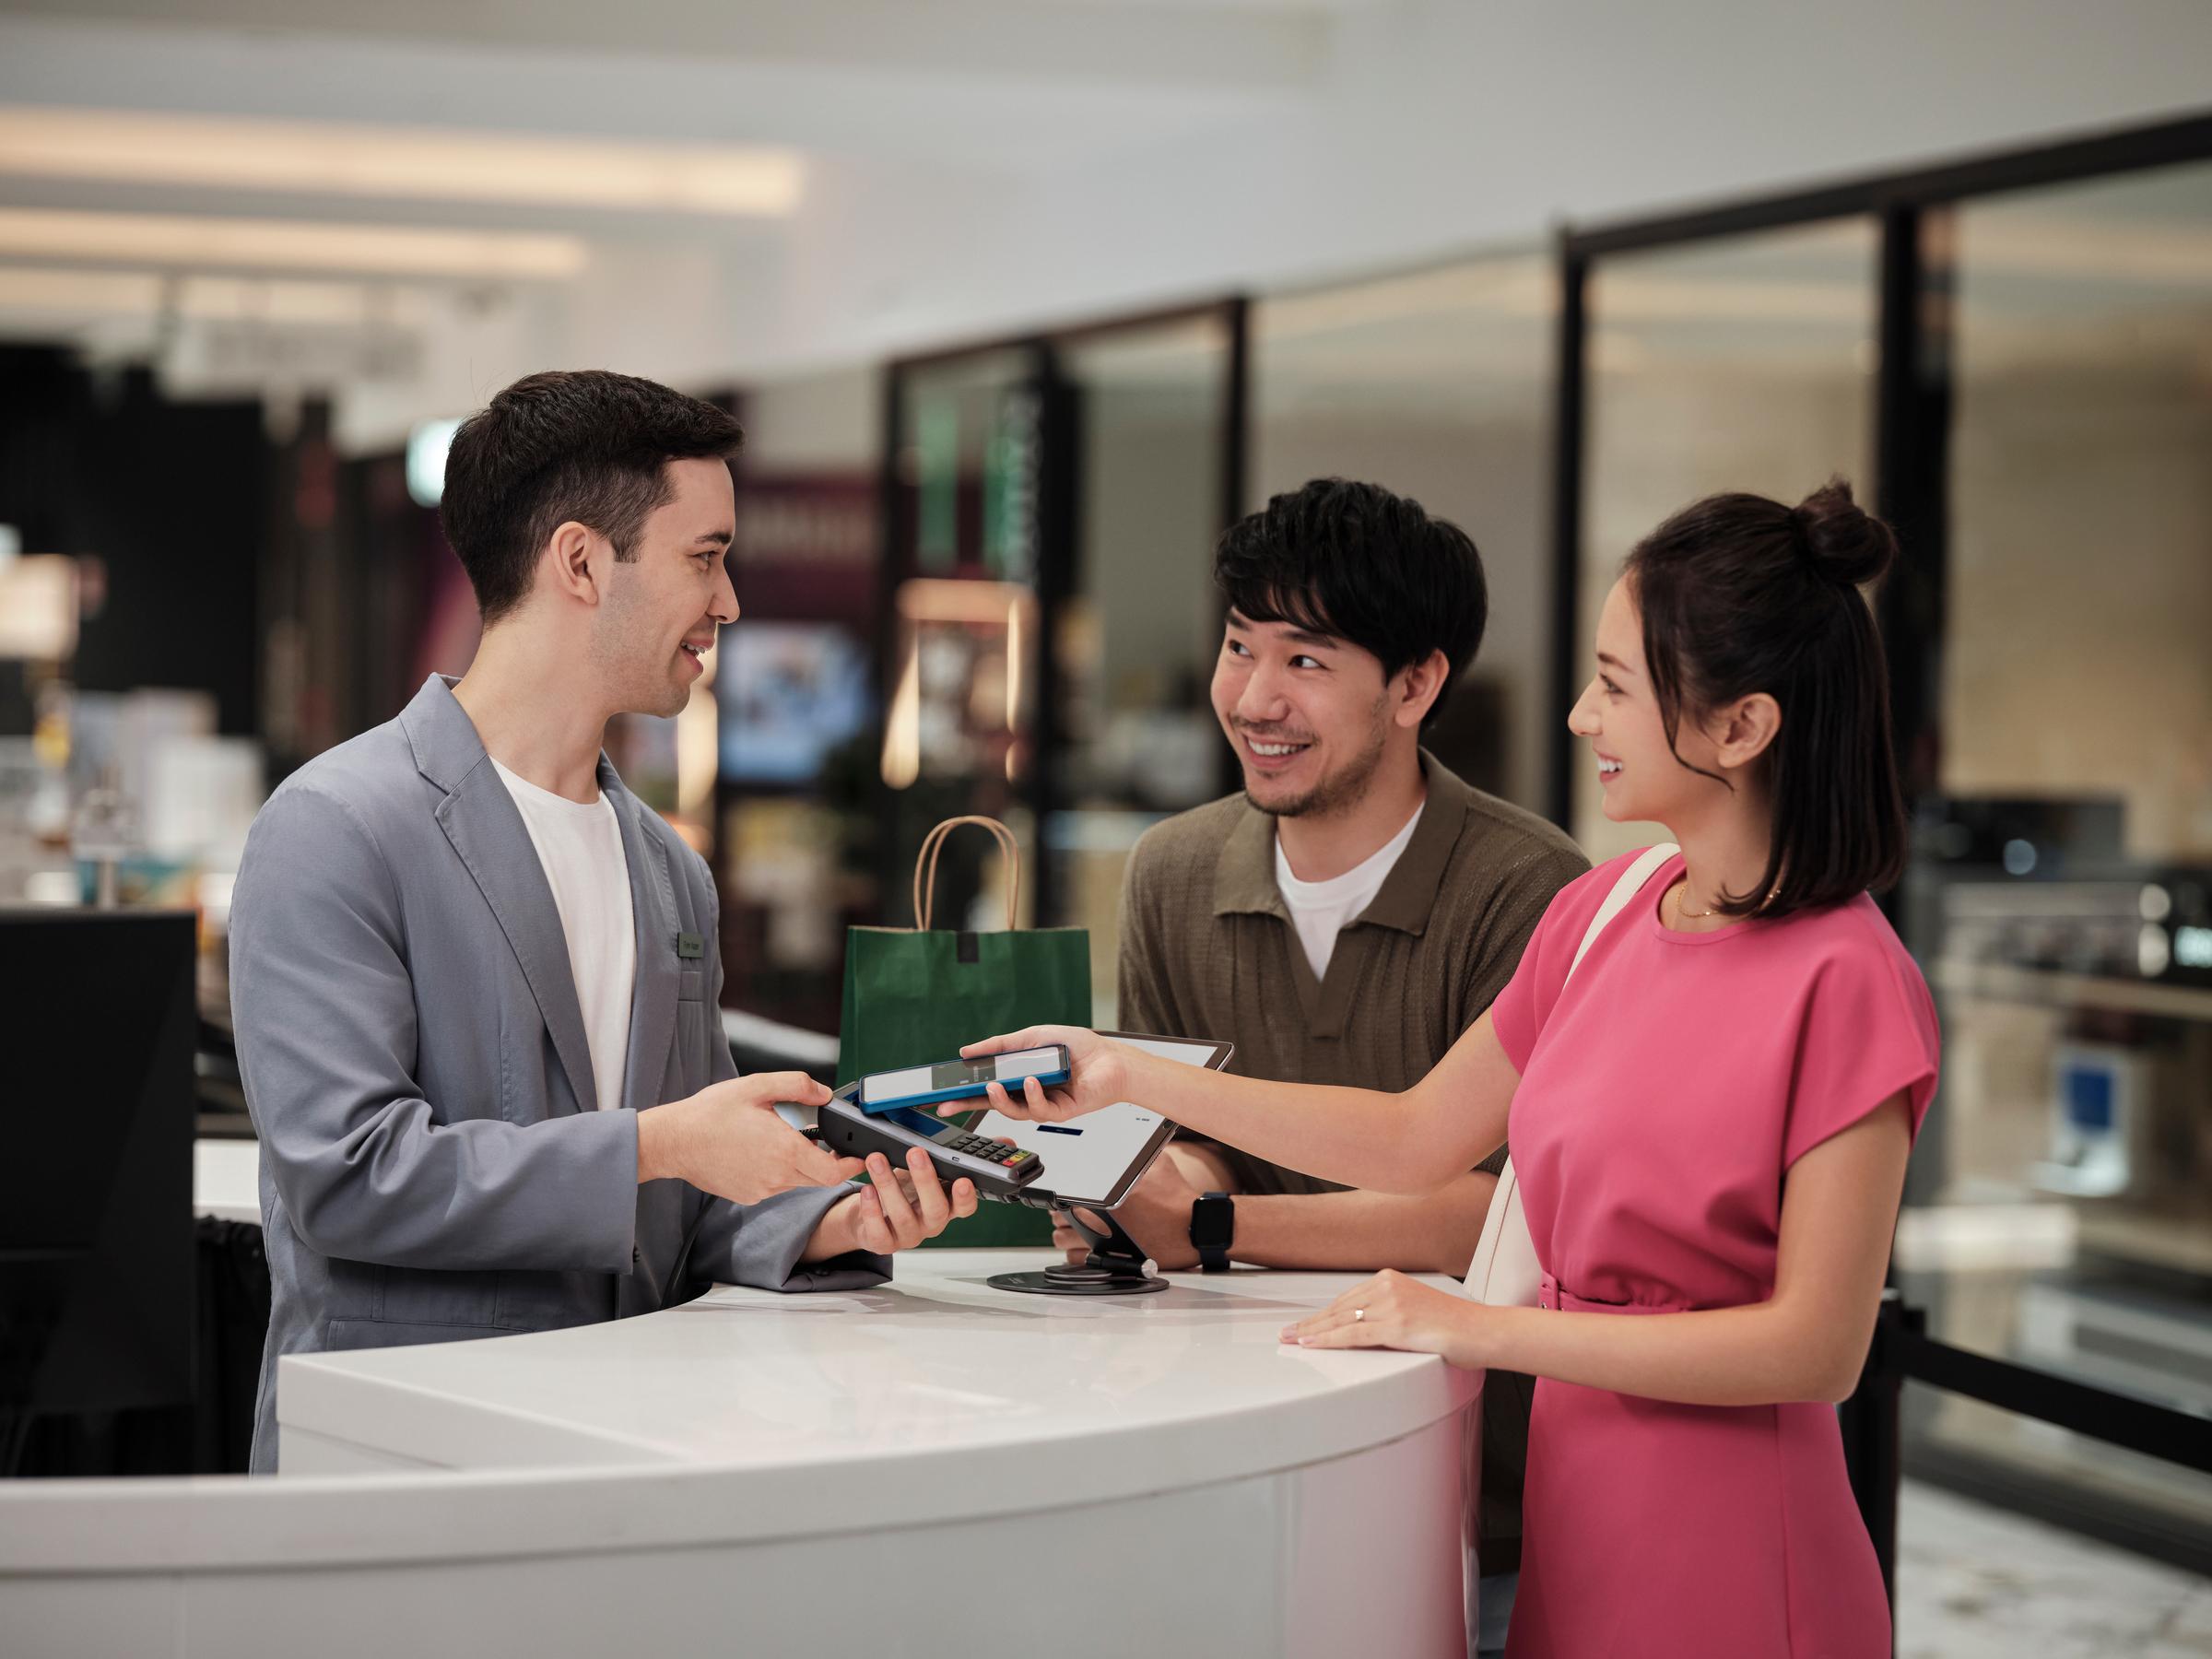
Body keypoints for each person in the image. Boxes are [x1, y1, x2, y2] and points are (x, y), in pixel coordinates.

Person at [967, 478, 1939, 1658]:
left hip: (1738, 1544)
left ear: (1743, 728)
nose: (1583, 718)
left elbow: (1814, 1350)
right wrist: (1126, 1075)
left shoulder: (1850, 979)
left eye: (1619, 688)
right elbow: (1413, 1134)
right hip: (1577, 1519)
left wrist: (1474, 1325)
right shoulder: (1605, 912)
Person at [229, 370, 973, 1475]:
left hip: (626, 1445)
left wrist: (825, 1220)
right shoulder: (335, 826)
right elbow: (348, 1178)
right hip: (404, 1456)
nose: (728, 604)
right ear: (580, 562)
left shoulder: (667, 868)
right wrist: (667, 1140)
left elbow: (681, 1205)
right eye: (705, 557)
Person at [1066, 477, 1583, 1647]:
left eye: (1305, 661)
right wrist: (1147, 1191)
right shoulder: (1174, 871)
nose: (1253, 698)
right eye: (1240, 647)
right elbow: (1182, 1134)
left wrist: (1207, 1230)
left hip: (1471, 1488)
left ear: (1415, 684)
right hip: (1230, 1453)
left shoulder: (1530, 892)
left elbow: (1488, 1217)